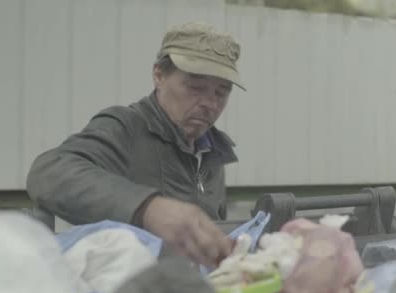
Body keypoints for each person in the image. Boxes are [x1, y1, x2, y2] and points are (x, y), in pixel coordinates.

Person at [26, 22, 245, 268]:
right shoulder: (125, 128)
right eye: (195, 87)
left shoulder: (212, 152)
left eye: (221, 92)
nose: (209, 103)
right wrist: (147, 208)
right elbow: (49, 172)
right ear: (159, 75)